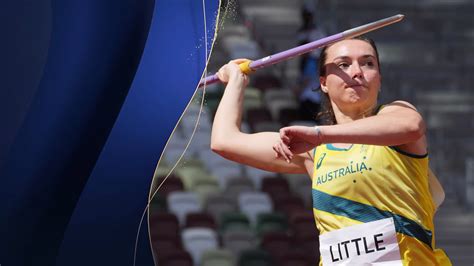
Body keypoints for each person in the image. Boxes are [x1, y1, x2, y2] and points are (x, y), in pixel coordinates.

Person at [210, 37, 451, 265]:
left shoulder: (396, 114)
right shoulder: (315, 152)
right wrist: (236, 82)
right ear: (323, 82)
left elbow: (411, 126)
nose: (357, 71)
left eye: (368, 63)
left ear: (379, 78)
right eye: (344, 64)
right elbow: (225, 141)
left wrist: (319, 135)